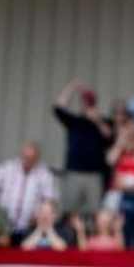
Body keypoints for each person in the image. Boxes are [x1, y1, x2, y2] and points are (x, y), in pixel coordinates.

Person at [53, 79, 112, 218]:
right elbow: (58, 107)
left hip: (95, 175)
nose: (87, 105)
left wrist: (97, 120)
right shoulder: (75, 121)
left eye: (90, 103)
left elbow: (109, 136)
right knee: (69, 211)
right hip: (74, 172)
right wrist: (72, 87)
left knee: (94, 212)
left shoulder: (104, 121)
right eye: (85, 102)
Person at [0, 141, 58, 236]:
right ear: (21, 155)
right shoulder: (6, 168)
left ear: (37, 159)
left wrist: (40, 215)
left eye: (31, 159)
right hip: (2, 224)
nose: (27, 161)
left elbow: (49, 200)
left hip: (30, 227)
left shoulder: (45, 175)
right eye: (25, 157)